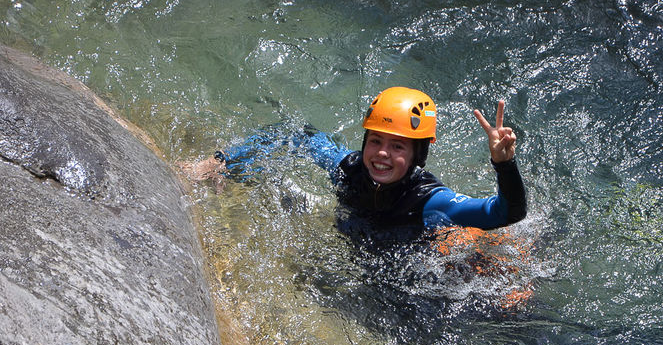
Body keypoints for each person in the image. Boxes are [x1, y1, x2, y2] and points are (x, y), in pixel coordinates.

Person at [182, 87, 526, 235]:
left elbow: (505, 213)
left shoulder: (427, 200)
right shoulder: (347, 169)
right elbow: (295, 134)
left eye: (398, 147)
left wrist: (503, 164)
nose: (381, 154)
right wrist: (221, 161)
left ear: (418, 155)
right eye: (375, 141)